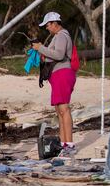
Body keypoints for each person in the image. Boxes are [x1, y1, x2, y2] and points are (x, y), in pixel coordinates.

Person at [32, 11, 77, 157]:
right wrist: (41, 54)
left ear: (54, 23)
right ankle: (64, 144)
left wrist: (40, 48)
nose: (46, 28)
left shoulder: (62, 36)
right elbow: (51, 56)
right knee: (59, 111)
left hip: (63, 74)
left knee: (64, 109)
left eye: (47, 25)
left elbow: (58, 55)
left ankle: (69, 145)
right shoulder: (57, 37)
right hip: (57, 75)